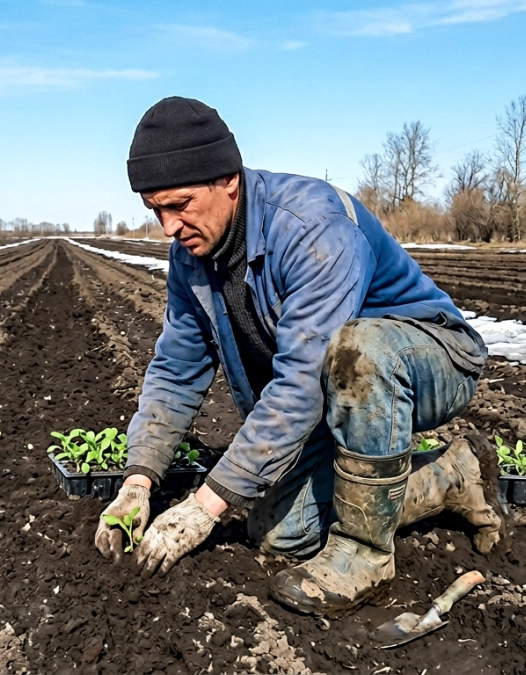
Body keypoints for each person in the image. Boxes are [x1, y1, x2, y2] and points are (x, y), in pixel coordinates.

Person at [94, 96, 504, 617]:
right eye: (156, 210)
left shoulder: (311, 226)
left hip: (428, 358)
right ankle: (451, 475)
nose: (168, 227)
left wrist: (203, 506)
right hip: (333, 388)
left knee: (360, 351)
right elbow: (176, 371)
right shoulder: (191, 258)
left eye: (180, 205)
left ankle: (366, 556)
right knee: (279, 534)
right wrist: (139, 480)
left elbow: (303, 382)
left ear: (229, 182)